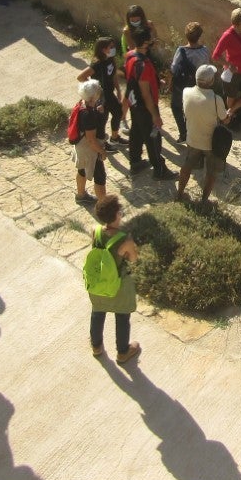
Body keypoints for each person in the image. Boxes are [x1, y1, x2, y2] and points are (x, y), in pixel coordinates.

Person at [88, 193, 141, 364]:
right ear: (117, 215)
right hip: (118, 286)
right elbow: (133, 259)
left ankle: (96, 346)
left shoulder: (95, 231)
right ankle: (123, 352)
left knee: (97, 312)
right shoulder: (125, 239)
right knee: (122, 316)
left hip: (98, 283)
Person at [124, 28, 174, 180]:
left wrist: (157, 82)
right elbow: (146, 94)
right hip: (145, 107)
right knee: (153, 138)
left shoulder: (130, 55)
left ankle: (135, 162)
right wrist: (155, 115)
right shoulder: (143, 64)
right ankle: (159, 170)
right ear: (146, 42)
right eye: (151, 38)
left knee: (136, 132)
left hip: (134, 102)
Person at [177, 64, 229, 202]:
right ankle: (204, 200)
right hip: (211, 143)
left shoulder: (186, 92)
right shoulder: (216, 99)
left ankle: (179, 194)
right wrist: (229, 114)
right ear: (211, 81)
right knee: (211, 173)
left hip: (192, 138)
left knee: (187, 166)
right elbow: (224, 119)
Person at [77, 36, 123, 148]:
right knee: (102, 120)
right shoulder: (97, 64)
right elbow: (81, 77)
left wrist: (118, 90)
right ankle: (102, 144)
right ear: (103, 49)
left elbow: (113, 75)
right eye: (110, 47)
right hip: (100, 96)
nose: (113, 49)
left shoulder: (110, 60)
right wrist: (93, 87)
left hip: (109, 94)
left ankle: (114, 138)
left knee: (118, 112)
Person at [169, 21, 212, 143]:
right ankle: (193, 133)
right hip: (197, 85)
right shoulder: (204, 50)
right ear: (200, 36)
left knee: (176, 107)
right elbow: (207, 67)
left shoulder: (181, 50)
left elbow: (173, 68)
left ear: (186, 35)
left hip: (181, 85)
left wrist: (171, 82)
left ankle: (183, 133)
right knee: (192, 109)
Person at [72, 80, 110, 206]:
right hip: (90, 150)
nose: (100, 91)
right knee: (100, 177)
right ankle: (104, 207)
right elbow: (91, 140)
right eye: (98, 90)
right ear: (93, 97)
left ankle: (81, 195)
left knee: (82, 170)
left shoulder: (81, 103)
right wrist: (102, 151)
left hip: (80, 146)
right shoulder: (88, 115)